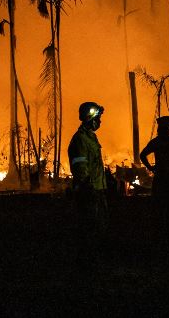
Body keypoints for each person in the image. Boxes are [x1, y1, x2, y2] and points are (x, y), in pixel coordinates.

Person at [140, 115, 169, 235]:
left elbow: (143, 155)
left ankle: (165, 232)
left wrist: (151, 168)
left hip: (165, 179)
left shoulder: (158, 142)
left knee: (164, 207)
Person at [68, 101, 108, 241]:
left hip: (97, 189)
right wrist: (87, 186)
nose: (99, 122)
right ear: (90, 119)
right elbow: (80, 167)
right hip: (89, 191)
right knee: (90, 228)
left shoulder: (91, 137)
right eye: (97, 119)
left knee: (100, 227)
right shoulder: (80, 139)